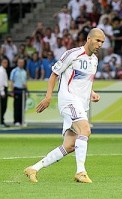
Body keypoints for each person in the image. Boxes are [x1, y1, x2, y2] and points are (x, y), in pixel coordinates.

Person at [24, 28, 105, 183]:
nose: (100, 44)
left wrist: (91, 93)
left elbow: (85, 82)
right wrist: (48, 97)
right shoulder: (72, 54)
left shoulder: (94, 60)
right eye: (98, 40)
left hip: (81, 105)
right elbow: (54, 74)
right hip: (68, 100)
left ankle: (33, 168)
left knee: (69, 145)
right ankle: (80, 172)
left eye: (102, 42)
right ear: (89, 39)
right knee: (85, 130)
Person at [10, 58, 27, 126]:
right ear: (17, 63)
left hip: (23, 90)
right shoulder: (14, 71)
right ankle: (16, 121)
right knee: (17, 106)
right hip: (17, 89)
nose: (21, 64)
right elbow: (11, 81)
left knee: (22, 106)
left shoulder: (24, 71)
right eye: (20, 62)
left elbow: (25, 82)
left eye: (22, 62)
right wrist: (12, 91)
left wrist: (27, 90)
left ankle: (21, 120)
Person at [0, 58, 10, 127]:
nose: (6, 64)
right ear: (1, 62)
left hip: (4, 89)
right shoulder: (1, 71)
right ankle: (1, 121)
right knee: (2, 106)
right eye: (4, 62)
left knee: (4, 106)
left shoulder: (3, 70)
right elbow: (0, 82)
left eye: (6, 62)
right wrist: (2, 91)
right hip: (2, 90)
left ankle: (2, 121)